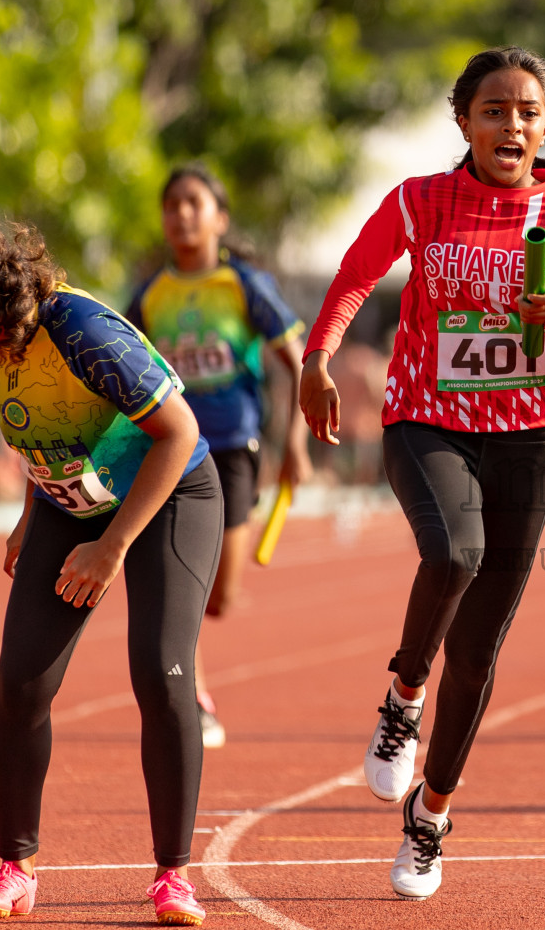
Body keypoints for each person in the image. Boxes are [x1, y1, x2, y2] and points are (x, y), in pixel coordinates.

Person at [298, 46, 545, 901]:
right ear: (464, 120)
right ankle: (403, 696)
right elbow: (355, 276)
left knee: (477, 653)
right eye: (493, 109)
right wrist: (317, 358)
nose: (511, 124)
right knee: (452, 556)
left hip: (527, 440)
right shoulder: (421, 201)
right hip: (426, 420)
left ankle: (431, 818)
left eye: (527, 111)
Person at [0, 211, 220, 925]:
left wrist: (112, 547)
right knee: (21, 682)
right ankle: (16, 866)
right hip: (72, 505)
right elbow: (42, 432)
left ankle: (173, 876)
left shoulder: (79, 330)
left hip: (169, 495)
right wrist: (32, 514)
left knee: (162, 674)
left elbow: (179, 433)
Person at [128, 162, 312, 749]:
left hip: (234, 447)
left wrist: (296, 447)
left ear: (219, 218)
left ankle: (190, 668)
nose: (182, 213)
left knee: (221, 595)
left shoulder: (244, 286)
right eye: (172, 203)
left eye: (194, 202)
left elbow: (299, 362)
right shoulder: (148, 296)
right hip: (168, 453)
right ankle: (197, 696)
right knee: (183, 580)